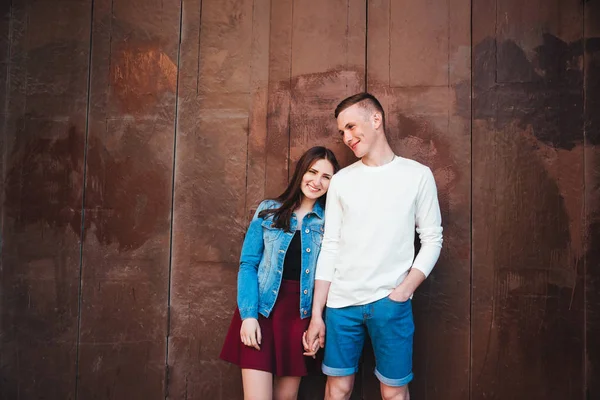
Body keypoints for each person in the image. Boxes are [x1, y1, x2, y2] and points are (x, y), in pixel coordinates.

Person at [303, 93, 443, 400]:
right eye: (342, 132)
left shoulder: (417, 175)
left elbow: (432, 239)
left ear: (376, 119)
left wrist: (404, 290)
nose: (348, 137)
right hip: (341, 305)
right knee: (338, 389)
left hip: (390, 303)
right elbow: (331, 245)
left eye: (352, 127)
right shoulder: (342, 180)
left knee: (394, 392)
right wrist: (318, 314)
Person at [220, 146, 341, 400]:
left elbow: (332, 274)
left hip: (299, 316)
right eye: (312, 171)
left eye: (326, 177)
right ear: (301, 171)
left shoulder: (329, 222)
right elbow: (248, 265)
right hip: (262, 309)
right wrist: (248, 315)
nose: (317, 181)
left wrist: (318, 322)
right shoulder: (269, 210)